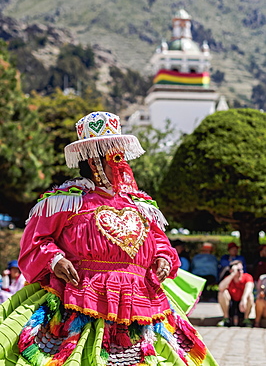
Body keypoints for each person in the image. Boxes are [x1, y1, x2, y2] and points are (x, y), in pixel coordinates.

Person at [0, 111, 218, 366]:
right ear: (94, 162)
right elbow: (35, 242)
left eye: (122, 157)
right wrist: (55, 260)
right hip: (78, 297)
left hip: (140, 301)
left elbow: (160, 243)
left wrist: (162, 259)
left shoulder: (141, 205)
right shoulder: (64, 201)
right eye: (115, 158)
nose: (122, 165)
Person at [217, 260, 254, 327]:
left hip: (243, 304)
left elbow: (250, 287)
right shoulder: (228, 278)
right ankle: (226, 318)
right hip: (231, 304)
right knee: (222, 293)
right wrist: (232, 274)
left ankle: (246, 319)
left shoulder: (247, 276)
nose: (241, 271)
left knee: (250, 296)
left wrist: (244, 299)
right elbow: (220, 288)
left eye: (242, 269)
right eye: (238, 269)